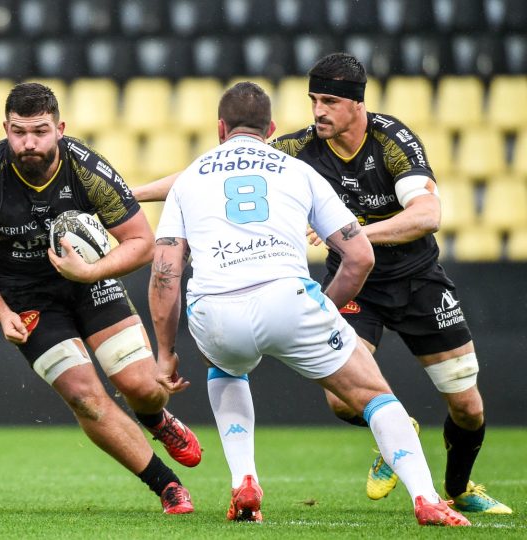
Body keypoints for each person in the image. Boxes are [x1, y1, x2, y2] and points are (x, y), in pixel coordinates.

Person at [133, 54, 511, 516]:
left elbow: (428, 216)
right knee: (343, 398)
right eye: (313, 100)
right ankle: (408, 452)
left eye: (328, 101)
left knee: (467, 406)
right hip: (357, 284)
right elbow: (218, 170)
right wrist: (126, 195)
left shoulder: (392, 140)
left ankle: (459, 486)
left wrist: (354, 230)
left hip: (416, 279)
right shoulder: (302, 150)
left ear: (357, 104)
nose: (317, 111)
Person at [0, 82, 201, 514]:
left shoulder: (89, 171)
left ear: (60, 128)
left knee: (144, 388)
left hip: (90, 282)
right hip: (26, 298)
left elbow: (141, 241)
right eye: (19, 131)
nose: (29, 142)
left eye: (40, 131)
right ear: (5, 128)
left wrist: (91, 271)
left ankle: (156, 418)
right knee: (83, 395)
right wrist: (1, 310)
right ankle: (166, 485)